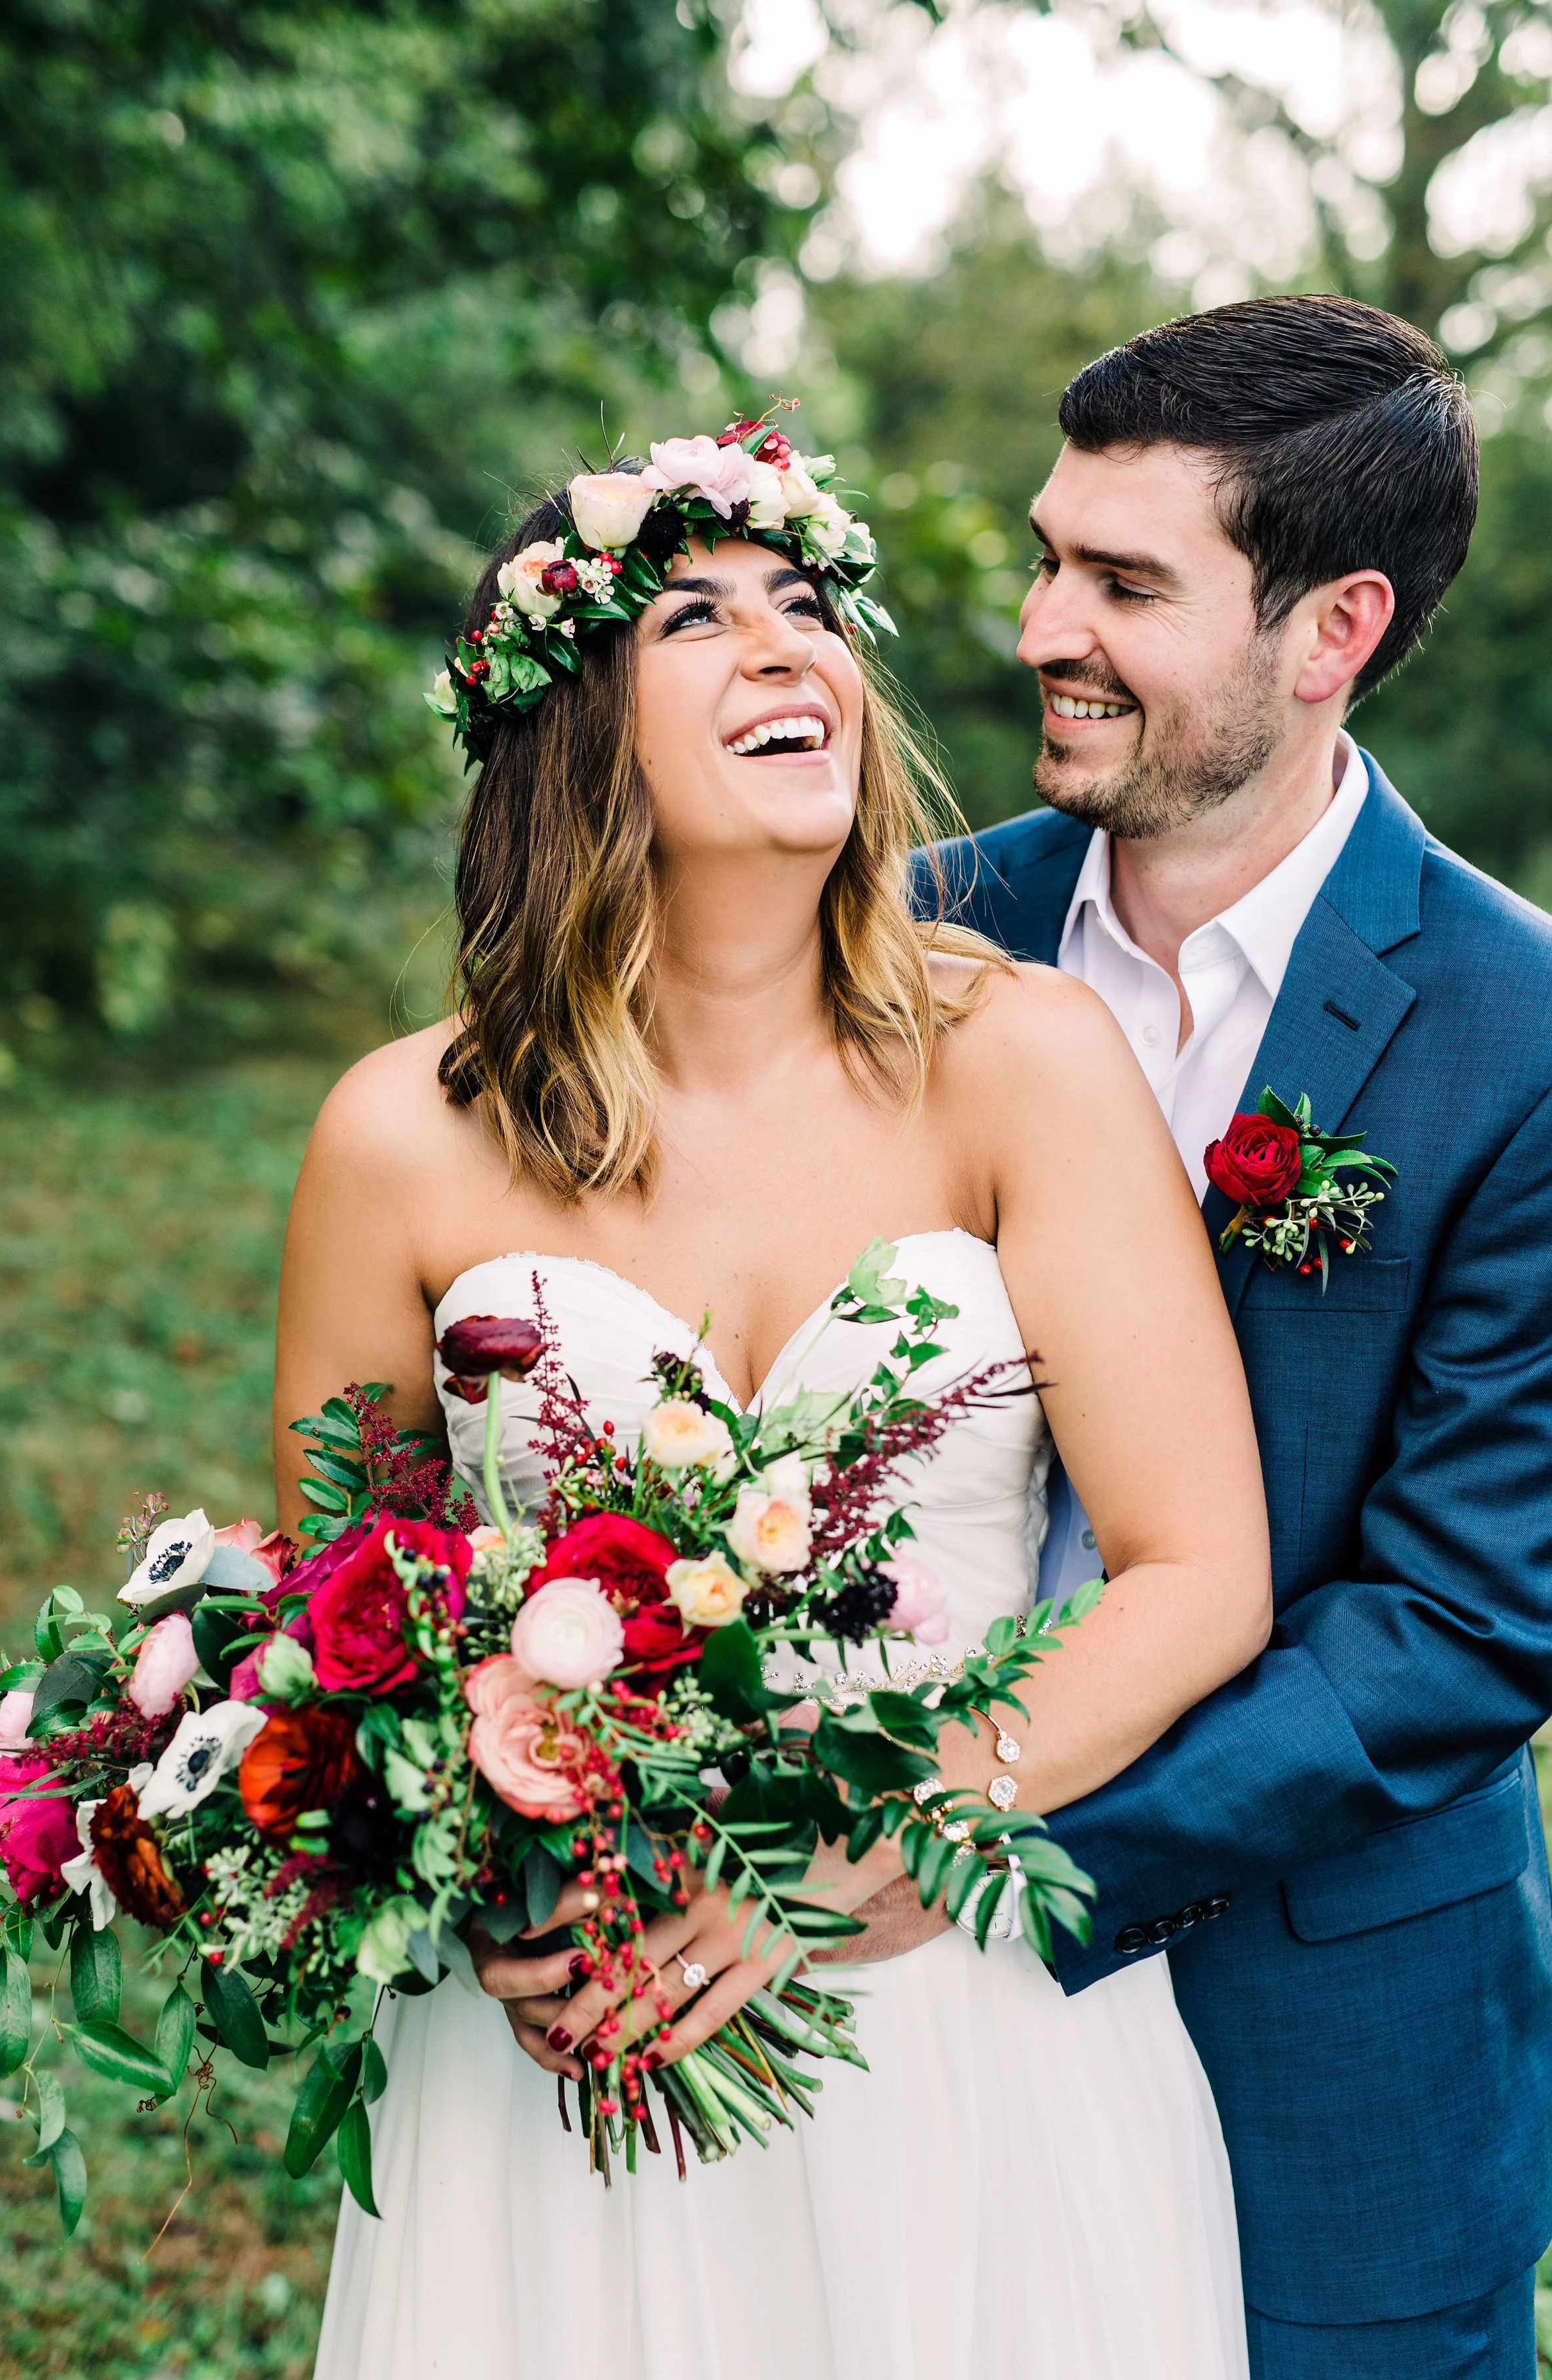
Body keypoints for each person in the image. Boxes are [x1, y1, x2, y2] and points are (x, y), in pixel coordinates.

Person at [275, 441, 1272, 2377]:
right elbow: (346, 1629)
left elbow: (1196, 1570)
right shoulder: (399, 1133)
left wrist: (880, 1843)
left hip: (955, 1993)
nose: (784, 647)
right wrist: (486, 1882)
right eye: (697, 616)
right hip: (565, 2041)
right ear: (570, 725)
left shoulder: (1023, 1064)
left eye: (809, 608)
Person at [900, 293, 1552, 2377]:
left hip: (1324, 2026)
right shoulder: (898, 937)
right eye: (1043, 553)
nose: (1038, 626)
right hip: (868, 2014)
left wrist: (984, 1841)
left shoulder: (1516, 1030)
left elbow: (1466, 1618)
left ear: (1331, 628)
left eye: (1124, 583)